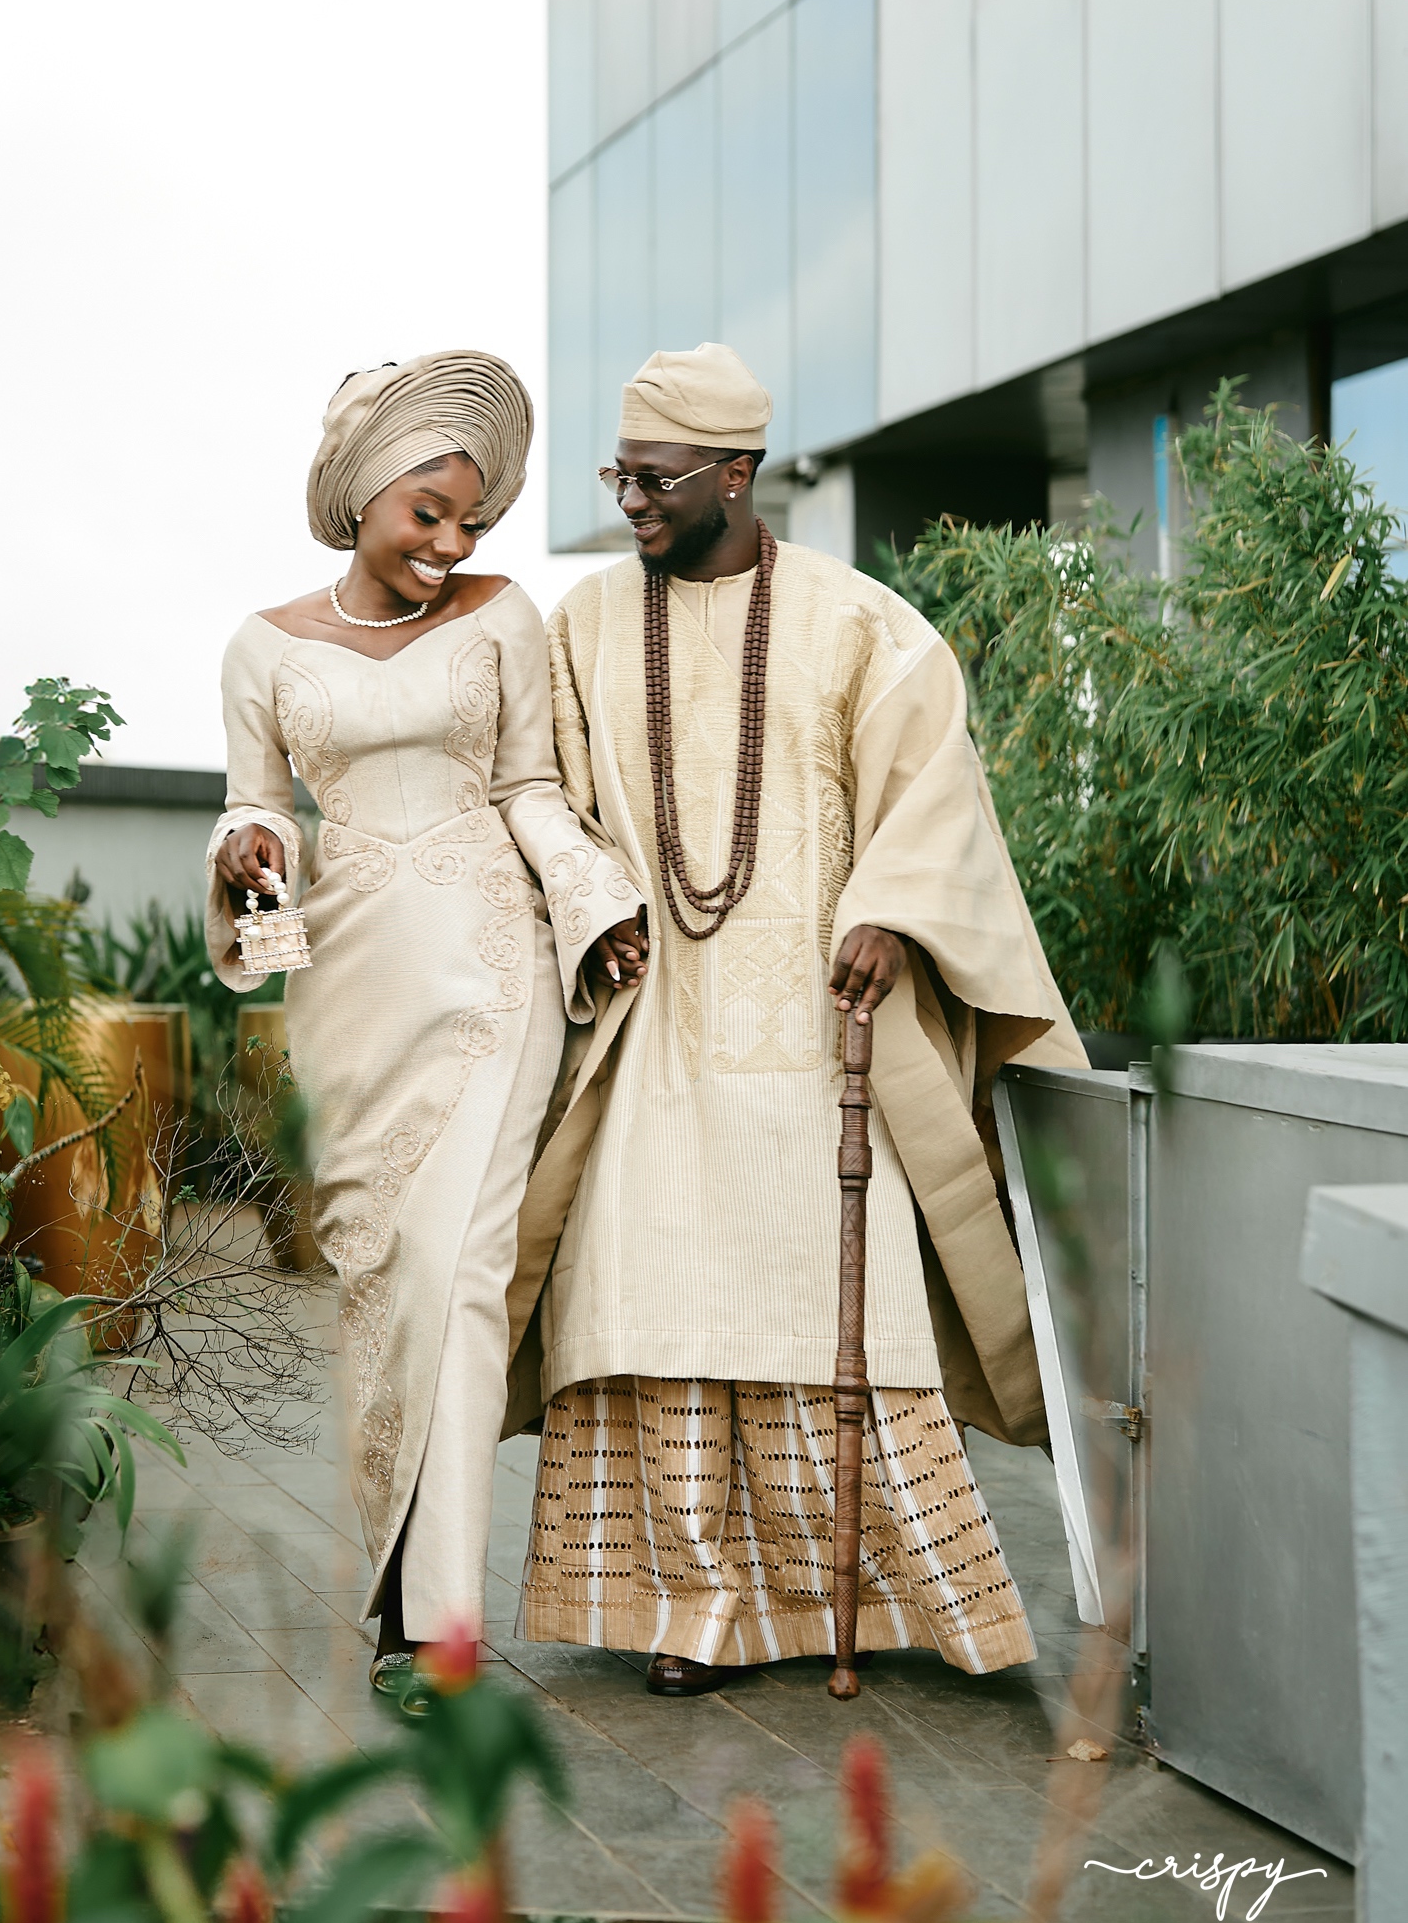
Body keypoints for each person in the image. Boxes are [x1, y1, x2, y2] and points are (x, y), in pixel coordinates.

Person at [506, 343, 1085, 1694]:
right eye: (618, 475)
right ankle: (693, 1612)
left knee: (832, 1319)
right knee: (649, 1306)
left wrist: (892, 908)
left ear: (737, 472)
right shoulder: (583, 626)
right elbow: (537, 794)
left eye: (656, 480)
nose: (631, 502)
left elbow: (937, 791)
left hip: (823, 1041)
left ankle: (863, 1605)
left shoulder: (860, 624)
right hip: (650, 1042)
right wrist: (591, 902)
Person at [208, 350, 644, 1705]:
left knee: (460, 1272)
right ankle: (395, 1589)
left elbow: (530, 787)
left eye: (472, 520)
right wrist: (251, 861)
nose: (451, 544)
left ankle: (443, 1629)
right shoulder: (262, 647)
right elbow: (258, 809)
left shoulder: (503, 616)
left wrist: (592, 905)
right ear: (364, 494)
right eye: (428, 515)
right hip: (347, 985)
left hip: (490, 972)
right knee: (379, 1281)